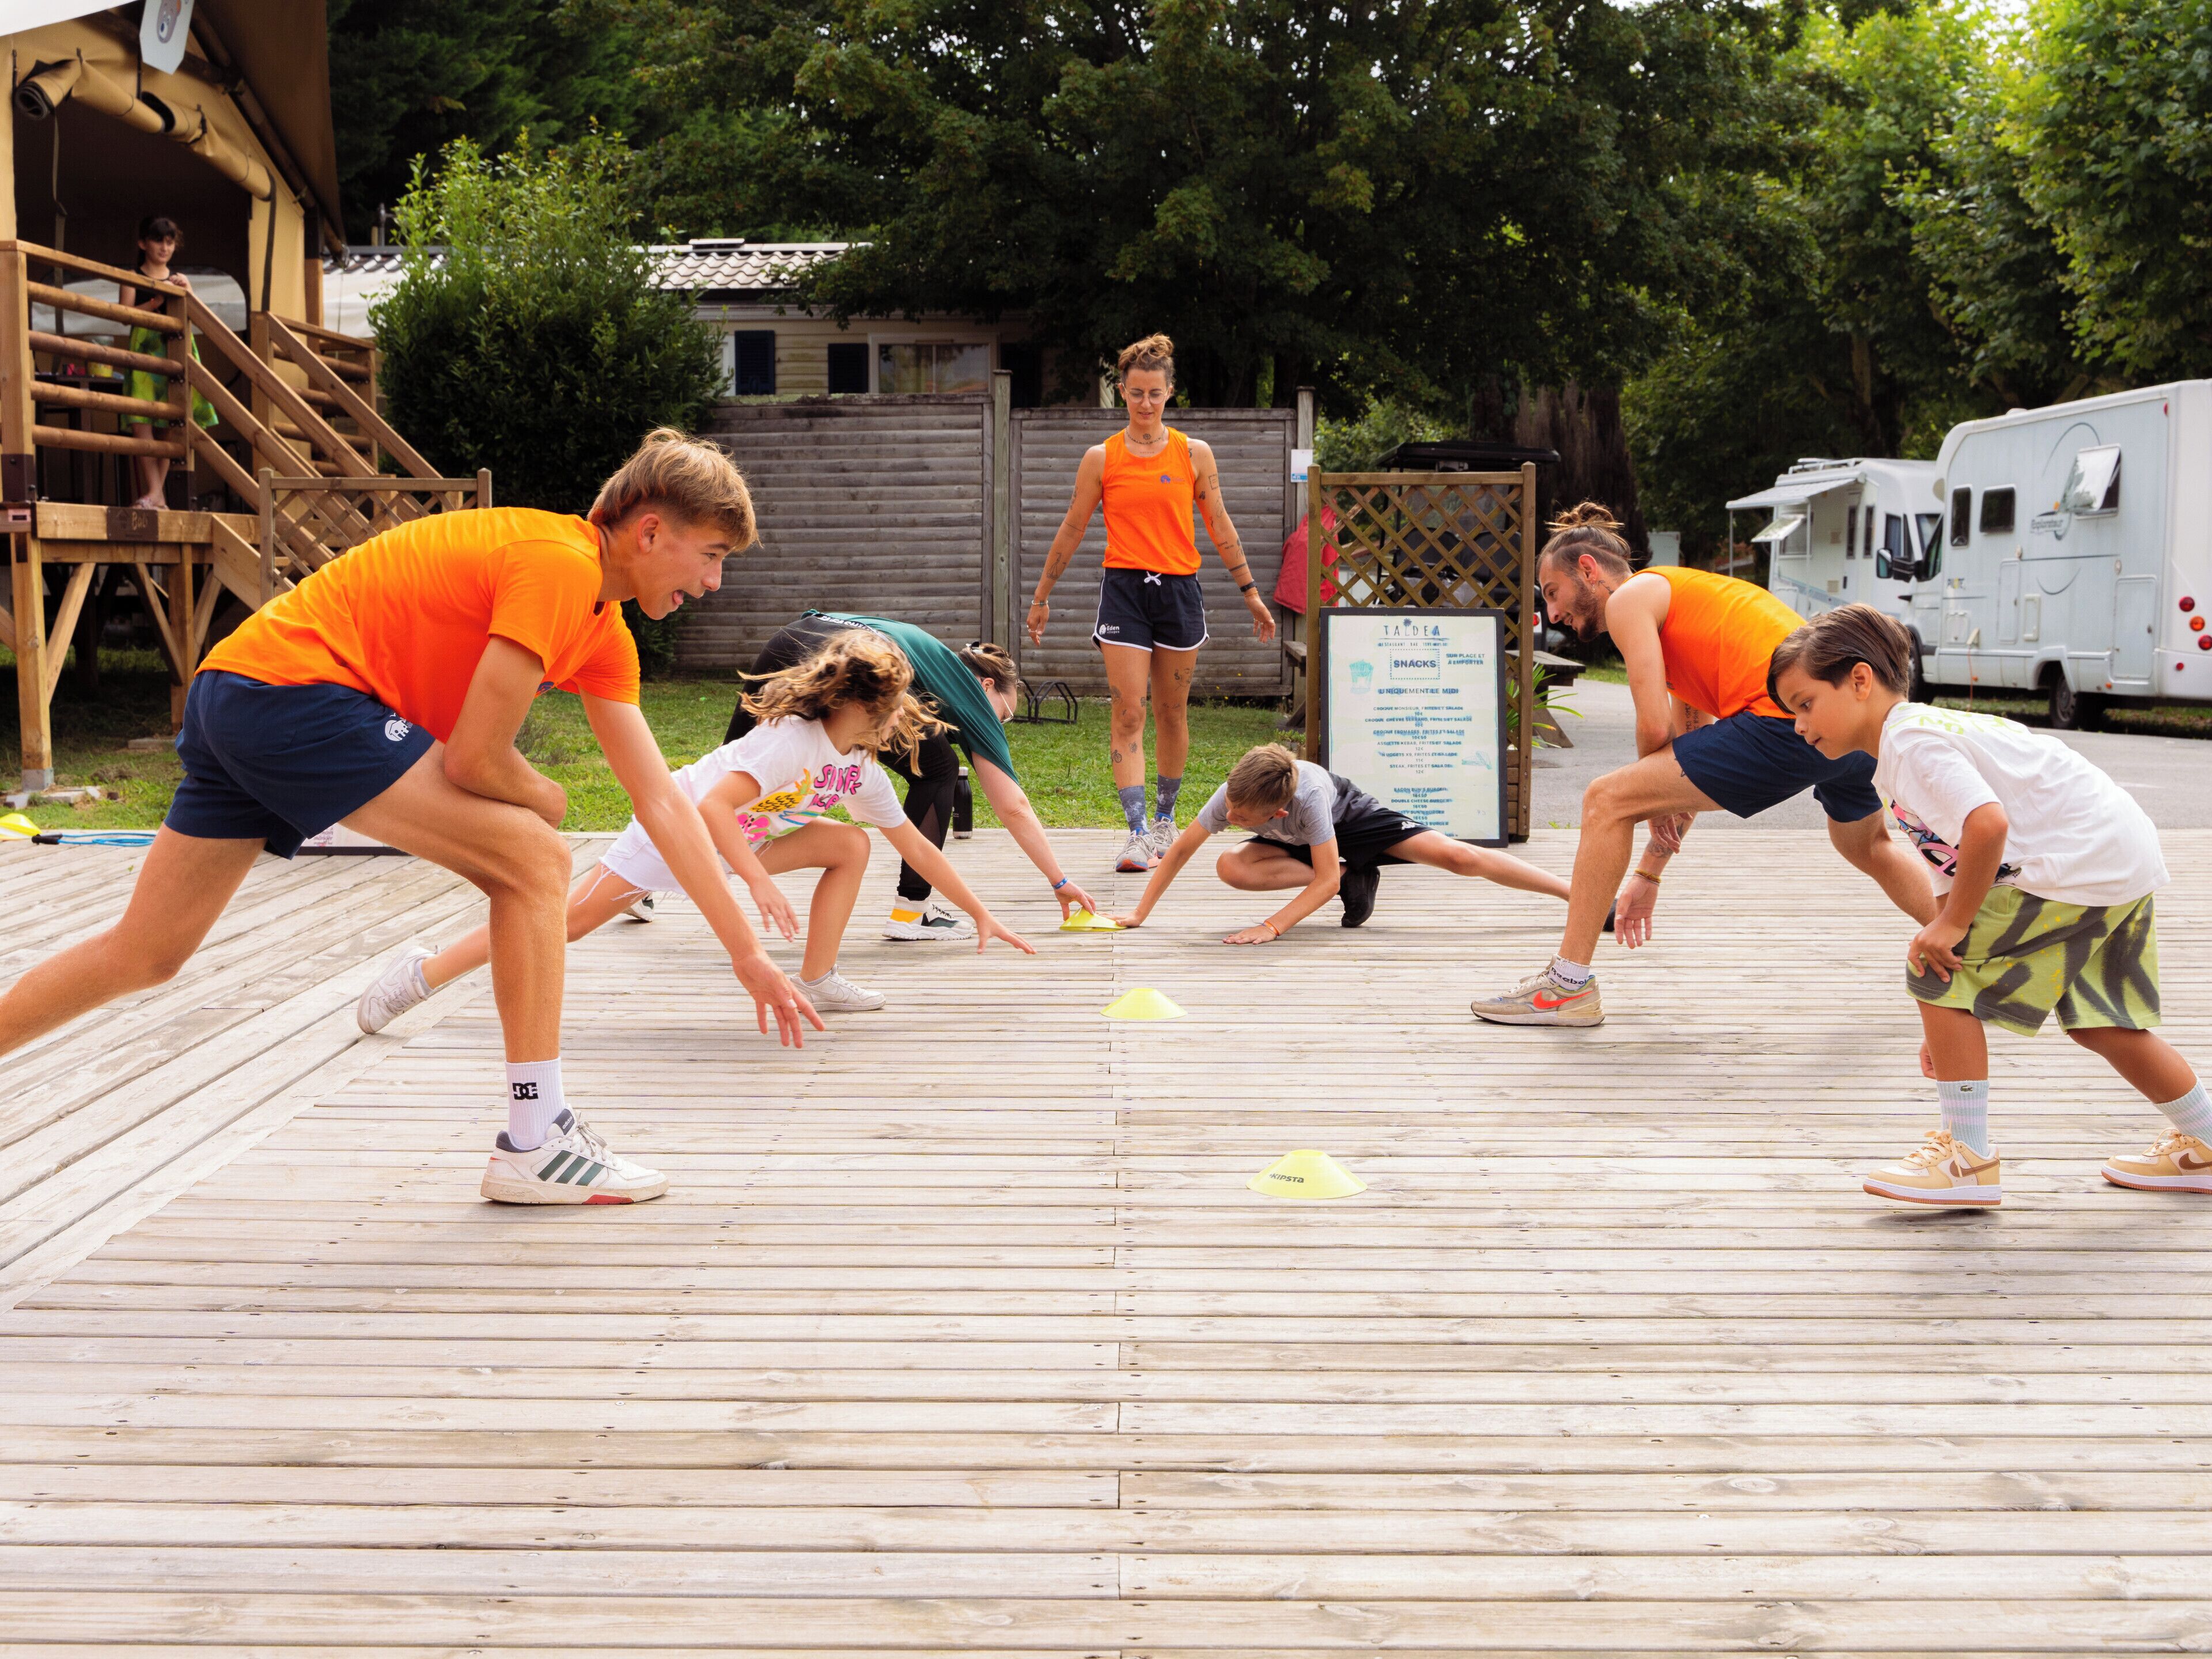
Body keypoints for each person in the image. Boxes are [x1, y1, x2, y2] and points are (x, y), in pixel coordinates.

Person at [0, 429, 821, 1206]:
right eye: (711, 556)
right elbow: (475, 759)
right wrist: (550, 798)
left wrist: (746, 954)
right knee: (537, 858)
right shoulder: (558, 563)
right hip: (294, 697)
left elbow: (664, 805)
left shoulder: (603, 632)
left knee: (144, 954)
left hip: (239, 690)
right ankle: (536, 1140)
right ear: (649, 532)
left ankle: (537, 1139)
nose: (713, 582)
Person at [361, 630, 1036, 1031]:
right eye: (889, 714)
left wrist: (980, 912)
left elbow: (913, 845)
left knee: (850, 844)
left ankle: (819, 977)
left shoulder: (855, 768)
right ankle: (421, 974)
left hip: (739, 844)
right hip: (675, 827)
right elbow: (712, 809)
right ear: (858, 704)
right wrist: (755, 884)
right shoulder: (788, 744)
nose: (895, 728)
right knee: (564, 920)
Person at [1769, 603, 2210, 1206]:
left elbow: (1986, 824)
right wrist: (1950, 1015)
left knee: (1933, 966)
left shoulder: (1910, 744)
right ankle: (2207, 1142)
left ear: (1861, 680)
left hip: (2075, 863)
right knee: (2105, 1023)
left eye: (1804, 703)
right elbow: (1949, 867)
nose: (1798, 724)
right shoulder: (1920, 736)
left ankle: (1966, 1159)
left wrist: (1948, 957)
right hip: (2116, 855)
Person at [1470, 504, 1934, 1028]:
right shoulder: (1684, 611)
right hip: (1844, 723)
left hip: (1789, 717)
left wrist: (1647, 802)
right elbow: (1688, 749)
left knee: (1605, 799)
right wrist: (1649, 871)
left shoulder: (1630, 600)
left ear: (1588, 570)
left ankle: (1566, 987)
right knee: (1866, 845)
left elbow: (1653, 731)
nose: (1553, 614)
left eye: (1552, 593)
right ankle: (1973, 950)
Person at [1026, 332, 1277, 874]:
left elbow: (1220, 524)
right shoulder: (1102, 457)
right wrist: (1041, 594)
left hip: (1180, 591)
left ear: (1169, 393)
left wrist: (1251, 594)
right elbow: (1072, 527)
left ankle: (1166, 820)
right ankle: (1137, 832)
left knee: (1170, 711)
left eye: (1154, 393)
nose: (1145, 403)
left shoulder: (1193, 453)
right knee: (1129, 711)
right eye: (1135, 392)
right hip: (1123, 591)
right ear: (1121, 392)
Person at [724, 612, 1098, 940]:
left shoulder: (933, 669)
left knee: (728, 769)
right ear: (987, 686)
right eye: (1004, 716)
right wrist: (1059, 881)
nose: (998, 726)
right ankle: (912, 912)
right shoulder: (970, 695)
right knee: (941, 768)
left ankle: (684, 862)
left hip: (794, 638)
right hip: (851, 657)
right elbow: (1012, 806)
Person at [1113, 743, 1572, 941]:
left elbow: (1323, 881)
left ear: (1274, 815)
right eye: (1229, 809)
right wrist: (1139, 912)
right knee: (1230, 865)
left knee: (1457, 856)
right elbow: (1181, 850)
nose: (1228, 818)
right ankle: (1359, 876)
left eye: (1240, 818)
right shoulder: (1234, 796)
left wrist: (1269, 927)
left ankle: (1575, 894)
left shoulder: (1309, 800)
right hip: (1303, 844)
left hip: (1349, 821)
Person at [118, 215, 218, 509]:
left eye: (170, 242)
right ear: (143, 243)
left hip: (173, 351)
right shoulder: (132, 275)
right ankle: (155, 493)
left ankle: (155, 493)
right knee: (140, 422)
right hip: (144, 351)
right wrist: (153, 304)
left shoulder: (179, 280)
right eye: (158, 240)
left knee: (169, 426)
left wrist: (188, 291)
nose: (164, 247)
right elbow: (124, 316)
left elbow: (197, 316)